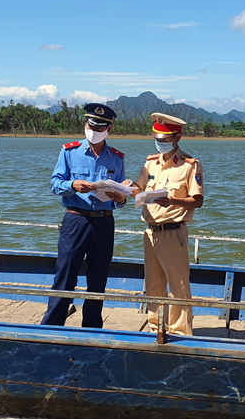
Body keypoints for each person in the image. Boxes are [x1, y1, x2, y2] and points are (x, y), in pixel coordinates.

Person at [41, 103, 126, 328]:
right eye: (91, 125)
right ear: (85, 124)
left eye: (100, 128)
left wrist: (121, 198)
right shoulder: (69, 151)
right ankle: (50, 328)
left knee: (98, 280)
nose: (94, 131)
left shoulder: (117, 158)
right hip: (75, 219)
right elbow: (55, 184)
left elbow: (122, 195)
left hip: (104, 222)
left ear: (109, 129)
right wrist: (73, 184)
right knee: (65, 276)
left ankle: (92, 329)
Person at [126, 113, 204, 335]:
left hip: (173, 232)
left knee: (178, 286)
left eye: (164, 138)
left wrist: (173, 200)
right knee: (153, 285)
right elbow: (138, 189)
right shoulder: (151, 163)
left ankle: (180, 332)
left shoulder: (190, 165)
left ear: (176, 138)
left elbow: (198, 200)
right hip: (150, 232)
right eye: (156, 137)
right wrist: (126, 187)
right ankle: (156, 327)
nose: (160, 142)